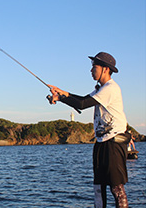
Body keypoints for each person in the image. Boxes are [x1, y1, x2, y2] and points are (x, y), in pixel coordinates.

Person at [48, 52, 130, 208]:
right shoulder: (101, 89)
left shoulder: (111, 88)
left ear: (106, 69)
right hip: (101, 142)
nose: (91, 70)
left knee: (116, 188)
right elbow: (81, 100)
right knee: (98, 187)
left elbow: (82, 104)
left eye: (94, 67)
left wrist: (63, 96)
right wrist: (60, 95)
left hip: (114, 143)